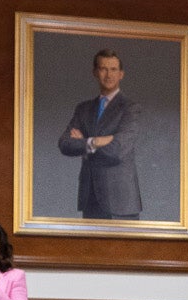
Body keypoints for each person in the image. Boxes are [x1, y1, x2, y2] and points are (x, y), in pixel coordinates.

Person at [58, 49, 142, 220]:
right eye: (103, 69)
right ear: (95, 72)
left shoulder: (130, 108)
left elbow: (117, 149)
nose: (108, 74)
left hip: (121, 201)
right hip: (90, 197)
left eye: (113, 69)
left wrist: (84, 143)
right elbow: (65, 144)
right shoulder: (83, 109)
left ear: (121, 74)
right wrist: (95, 142)